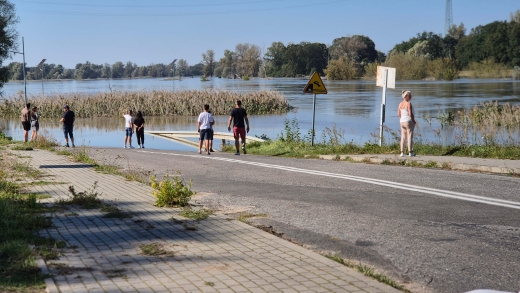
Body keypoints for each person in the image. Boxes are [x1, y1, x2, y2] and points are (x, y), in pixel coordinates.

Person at [398, 90, 416, 157]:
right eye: (409, 96)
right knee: (410, 136)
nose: (411, 97)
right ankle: (410, 152)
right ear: (406, 96)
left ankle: (402, 152)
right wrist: (413, 120)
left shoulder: (400, 104)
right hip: (408, 121)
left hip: (402, 121)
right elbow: (410, 113)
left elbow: (399, 114)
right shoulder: (408, 104)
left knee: (403, 137)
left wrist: (402, 118)